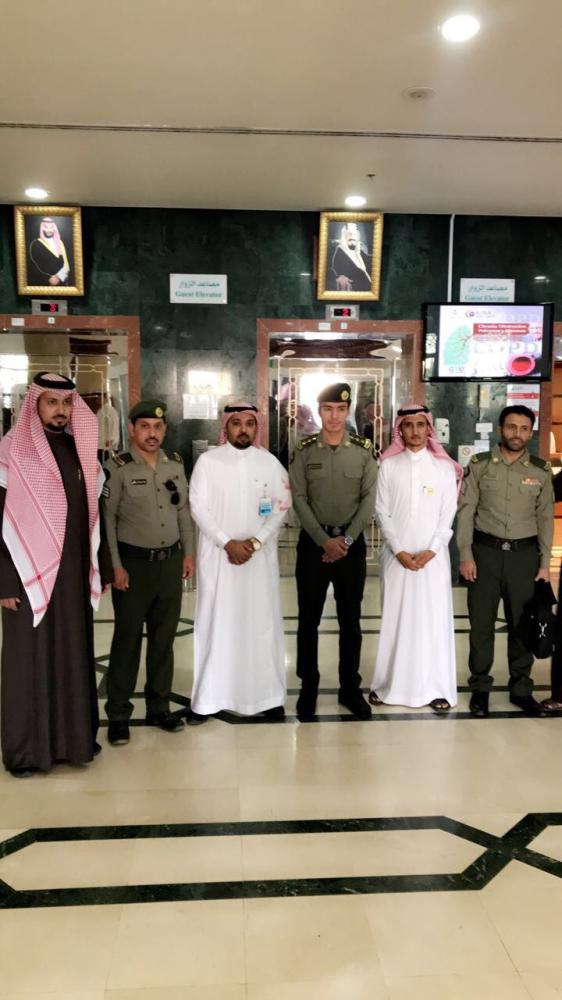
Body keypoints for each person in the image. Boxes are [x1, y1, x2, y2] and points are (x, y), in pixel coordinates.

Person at [0, 372, 109, 776]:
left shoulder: (81, 451)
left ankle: (74, 743)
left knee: (72, 654)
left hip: (72, 576)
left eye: (66, 403)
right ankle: (27, 752)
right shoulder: (11, 451)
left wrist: (101, 567)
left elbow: (96, 515)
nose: (61, 410)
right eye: (51, 402)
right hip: (24, 577)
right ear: (35, 405)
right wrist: (4, 581)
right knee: (28, 663)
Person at [189, 402, 291, 720]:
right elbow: (198, 507)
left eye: (249, 423)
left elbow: (282, 507)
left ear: (256, 427)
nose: (243, 429)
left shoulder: (270, 463)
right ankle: (209, 698)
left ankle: (267, 697)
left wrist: (256, 542)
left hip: (258, 561)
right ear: (226, 427)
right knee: (217, 624)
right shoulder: (208, 462)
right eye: (236, 423)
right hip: (219, 561)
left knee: (261, 625)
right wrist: (227, 542)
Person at [102, 400, 195, 745]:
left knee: (163, 640)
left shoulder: (175, 464)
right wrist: (115, 565)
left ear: (164, 430)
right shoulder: (117, 468)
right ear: (132, 429)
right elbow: (108, 521)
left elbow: (183, 512)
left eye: (157, 427)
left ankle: (159, 707)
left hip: (169, 563)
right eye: (144, 427)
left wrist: (189, 554)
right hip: (133, 566)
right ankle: (118, 714)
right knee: (126, 641)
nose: (151, 433)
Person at [457, 405, 554, 717]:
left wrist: (544, 564)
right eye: (512, 427)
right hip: (484, 555)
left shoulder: (540, 471)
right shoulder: (480, 465)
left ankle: (521, 690)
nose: (517, 434)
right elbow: (466, 513)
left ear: (531, 432)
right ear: (501, 429)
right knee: (480, 626)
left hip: (524, 559)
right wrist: (466, 555)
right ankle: (480, 689)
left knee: (522, 626)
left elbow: (545, 519)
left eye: (524, 428)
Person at [289, 382, 377, 720]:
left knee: (350, 621)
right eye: (328, 409)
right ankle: (308, 687)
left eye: (341, 409)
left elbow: (369, 500)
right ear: (320, 411)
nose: (335, 416)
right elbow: (298, 498)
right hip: (314, 547)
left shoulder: (363, 451)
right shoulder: (304, 450)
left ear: (348, 410)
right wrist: (322, 540)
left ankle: (350, 688)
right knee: (308, 620)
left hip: (350, 548)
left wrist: (346, 542)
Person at [370, 404, 462, 712]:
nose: (415, 431)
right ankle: (387, 686)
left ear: (429, 428)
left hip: (433, 560)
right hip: (396, 558)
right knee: (396, 620)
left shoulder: (443, 468)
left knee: (432, 622)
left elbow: (448, 513)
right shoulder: (388, 466)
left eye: (421, 425)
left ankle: (436, 688)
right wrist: (398, 549)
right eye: (408, 425)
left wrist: (432, 549)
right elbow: (381, 511)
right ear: (400, 429)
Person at [328, 222, 372, 293]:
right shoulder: (336, 249)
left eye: (354, 234)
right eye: (349, 233)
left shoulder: (359, 251)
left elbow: (369, 261)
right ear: (344, 235)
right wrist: (338, 277)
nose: (352, 236)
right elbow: (327, 267)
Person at [28, 217, 71, 287]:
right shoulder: (36, 244)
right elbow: (34, 266)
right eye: (46, 227)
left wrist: (59, 277)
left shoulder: (60, 243)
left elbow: (65, 263)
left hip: (62, 281)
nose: (49, 230)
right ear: (42, 228)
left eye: (51, 227)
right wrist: (48, 278)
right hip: (44, 283)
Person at [97, 394, 120, 461]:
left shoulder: (110, 411)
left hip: (107, 445)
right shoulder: (101, 411)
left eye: (100, 397)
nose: (98, 399)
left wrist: (111, 440)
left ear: (106, 398)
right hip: (101, 445)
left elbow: (114, 426)